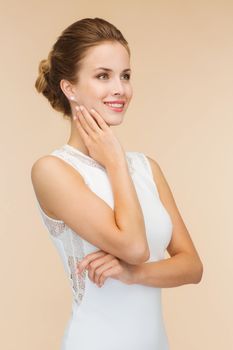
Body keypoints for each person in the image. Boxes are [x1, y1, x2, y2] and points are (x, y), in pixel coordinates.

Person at [31, 17, 203, 350]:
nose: (119, 89)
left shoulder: (146, 167)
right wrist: (115, 162)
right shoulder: (53, 170)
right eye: (102, 76)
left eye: (125, 76)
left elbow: (192, 266)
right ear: (69, 88)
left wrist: (133, 275)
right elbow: (135, 247)